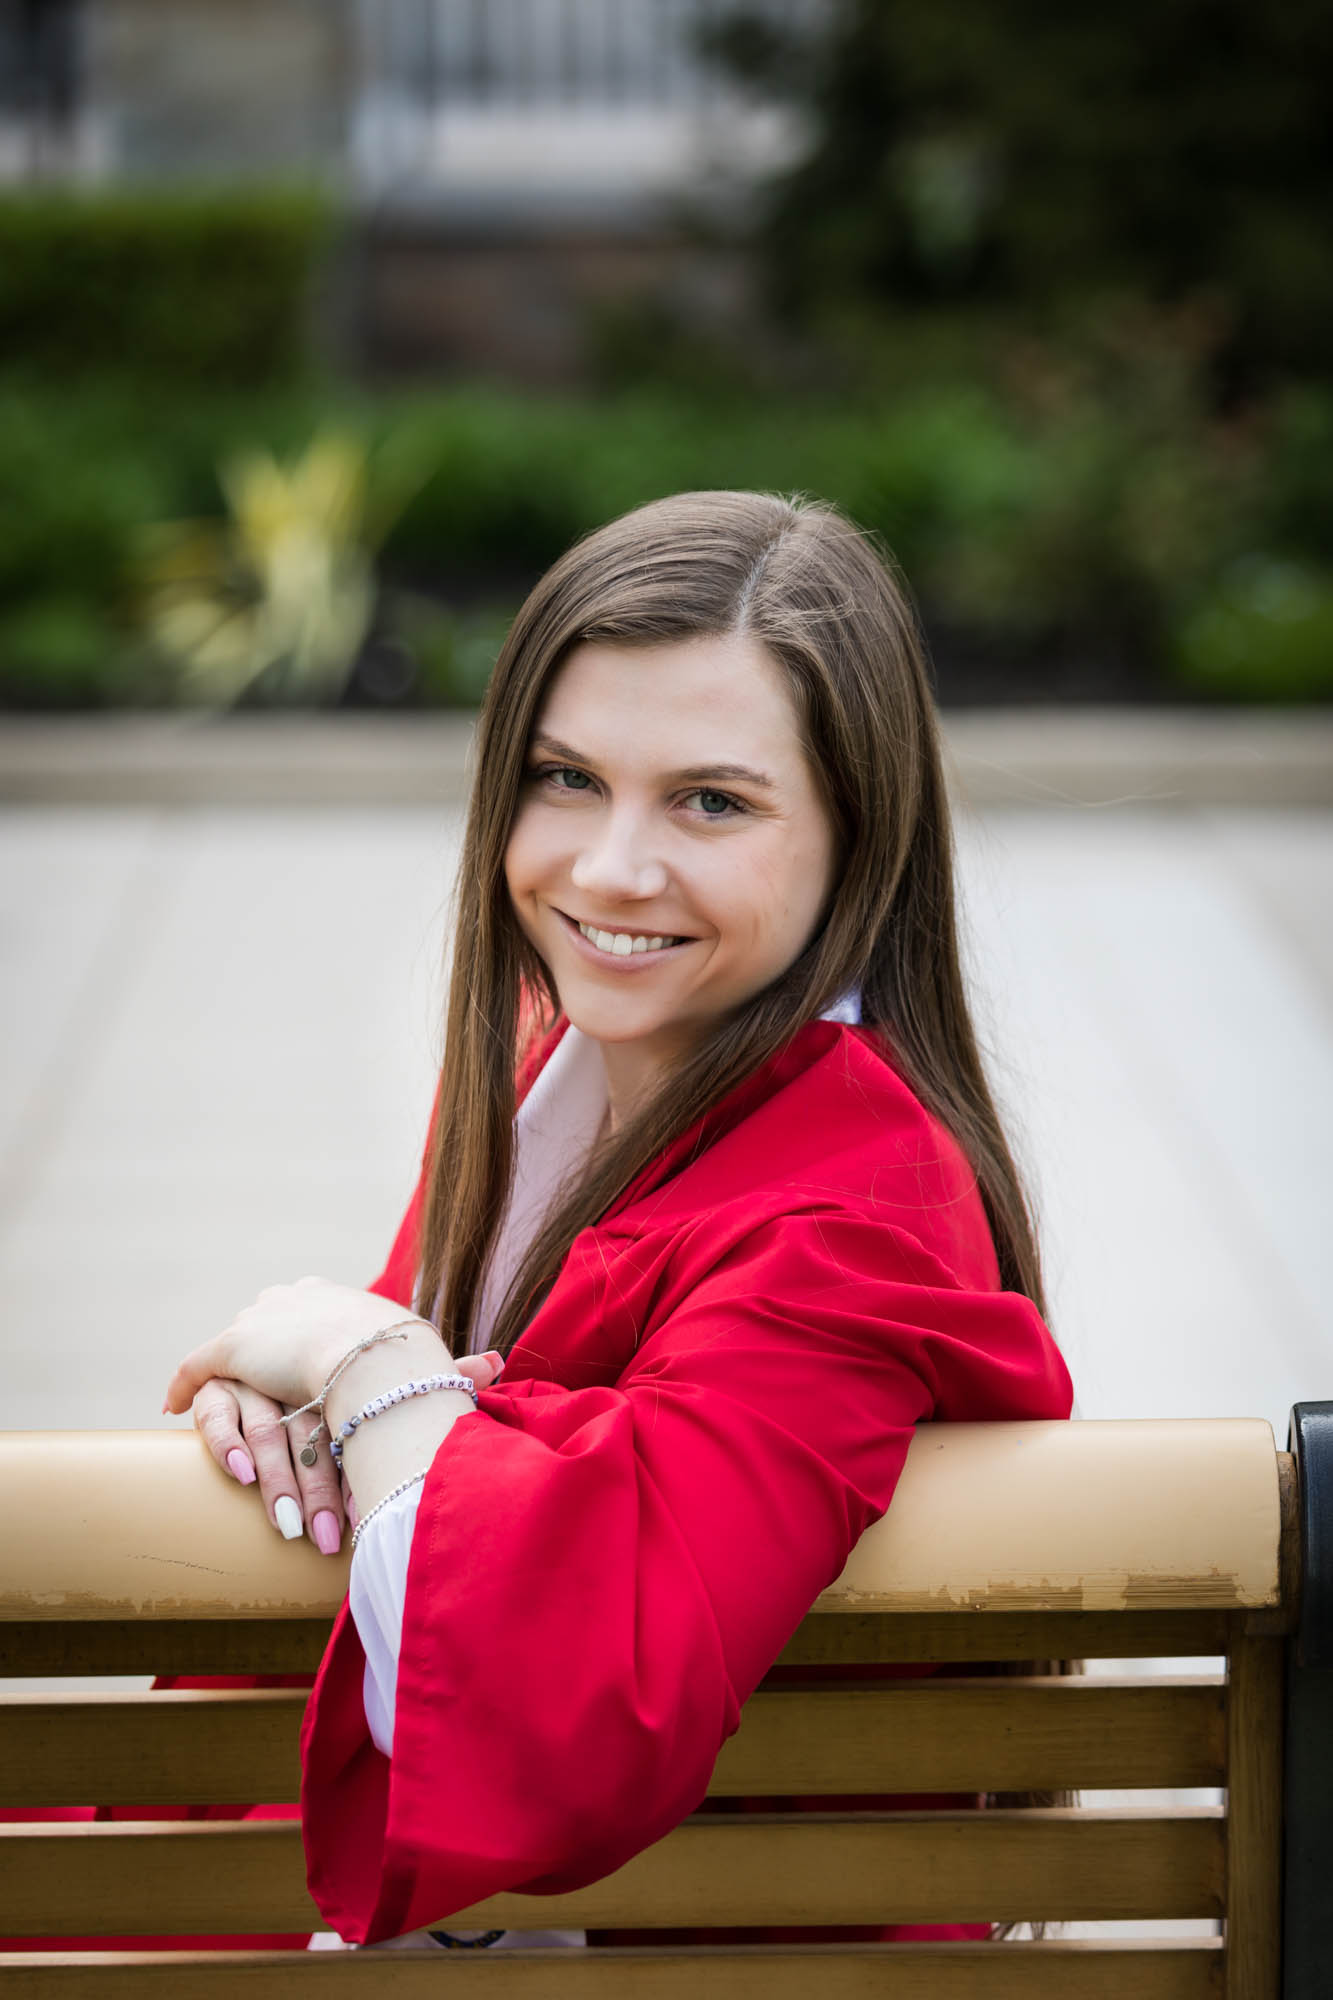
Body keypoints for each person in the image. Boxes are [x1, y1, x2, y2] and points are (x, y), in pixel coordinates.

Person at [164, 489, 1073, 1951]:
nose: (608, 870)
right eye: (564, 778)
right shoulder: (555, 1044)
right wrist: (319, 1416)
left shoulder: (852, 1222)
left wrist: (361, 1356)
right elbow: (414, 1458)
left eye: (711, 800)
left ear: (862, 834)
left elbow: (560, 1708)